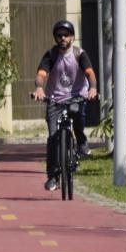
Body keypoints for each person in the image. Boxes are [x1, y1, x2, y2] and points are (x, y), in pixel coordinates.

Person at [31, 20, 98, 191]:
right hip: (55, 100)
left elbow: (89, 72)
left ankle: (82, 142)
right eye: (59, 35)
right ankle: (52, 177)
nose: (62, 38)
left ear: (72, 37)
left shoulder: (79, 54)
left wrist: (93, 88)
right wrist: (39, 87)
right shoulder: (51, 55)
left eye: (66, 35)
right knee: (53, 137)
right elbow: (41, 74)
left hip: (76, 97)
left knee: (78, 115)